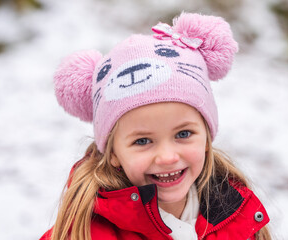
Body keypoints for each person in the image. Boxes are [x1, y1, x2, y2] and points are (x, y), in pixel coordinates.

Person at [40, 12, 270, 240]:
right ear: (113, 153)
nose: (167, 157)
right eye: (142, 141)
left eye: (183, 133)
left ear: (207, 138)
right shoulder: (87, 234)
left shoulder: (236, 213)